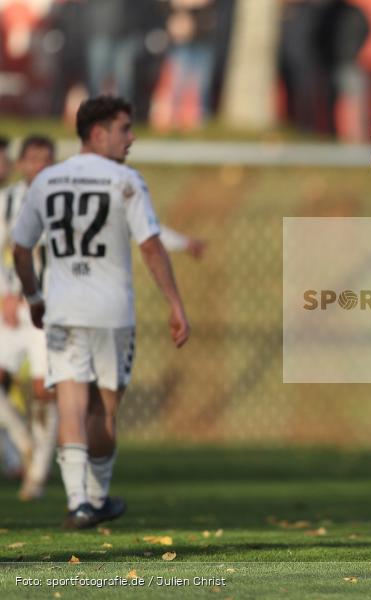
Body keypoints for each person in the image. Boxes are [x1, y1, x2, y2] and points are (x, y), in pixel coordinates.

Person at [12, 96, 190, 529]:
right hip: (111, 312)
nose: (131, 138)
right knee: (104, 410)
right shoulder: (125, 180)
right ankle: (97, 495)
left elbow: (21, 249)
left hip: (61, 309)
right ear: (97, 133)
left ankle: (78, 503)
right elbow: (150, 246)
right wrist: (174, 303)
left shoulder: (47, 180)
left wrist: (34, 300)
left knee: (71, 404)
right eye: (124, 129)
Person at [1, 135, 58, 501]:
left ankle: (36, 475)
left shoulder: (62, 201)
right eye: (31, 159)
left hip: (46, 308)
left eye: (45, 160)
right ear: (20, 163)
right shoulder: (5, 201)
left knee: (42, 390)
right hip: (8, 306)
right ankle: (24, 445)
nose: (37, 166)